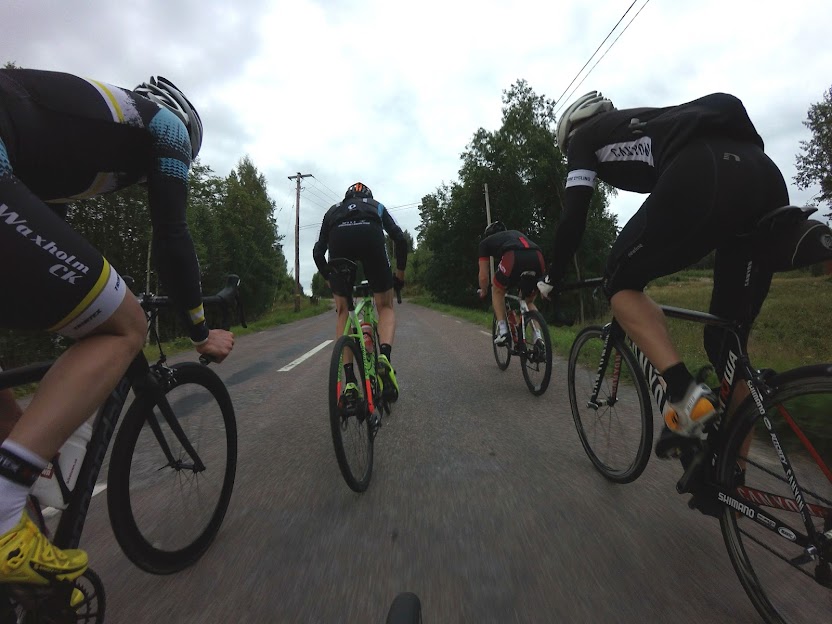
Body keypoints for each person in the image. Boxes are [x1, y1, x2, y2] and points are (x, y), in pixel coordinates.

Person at [0, 69, 234, 586]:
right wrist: (199, 330)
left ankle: (27, 581)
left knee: (14, 425)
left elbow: (48, 243)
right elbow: (172, 236)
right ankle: (4, 517)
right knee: (124, 326)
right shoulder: (168, 126)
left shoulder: (69, 141)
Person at [537, 90, 791, 457]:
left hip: (704, 169)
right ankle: (730, 476)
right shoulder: (650, 124)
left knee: (618, 283)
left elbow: (573, 217)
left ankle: (685, 396)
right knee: (726, 346)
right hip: (766, 177)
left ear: (570, 132)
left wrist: (554, 275)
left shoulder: (583, 140)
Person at [313, 182, 407, 402]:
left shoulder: (333, 211)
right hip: (370, 236)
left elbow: (318, 251)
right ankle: (384, 357)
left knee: (343, 312)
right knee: (385, 306)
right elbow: (400, 240)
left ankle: (350, 382)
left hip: (339, 240)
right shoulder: (376, 206)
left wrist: (329, 277)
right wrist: (400, 275)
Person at [477, 222, 546, 345]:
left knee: (497, 290)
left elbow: (483, 277)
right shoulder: (515, 234)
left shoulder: (485, 243)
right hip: (537, 256)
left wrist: (484, 290)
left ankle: (503, 331)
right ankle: (538, 337)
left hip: (513, 256)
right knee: (528, 301)